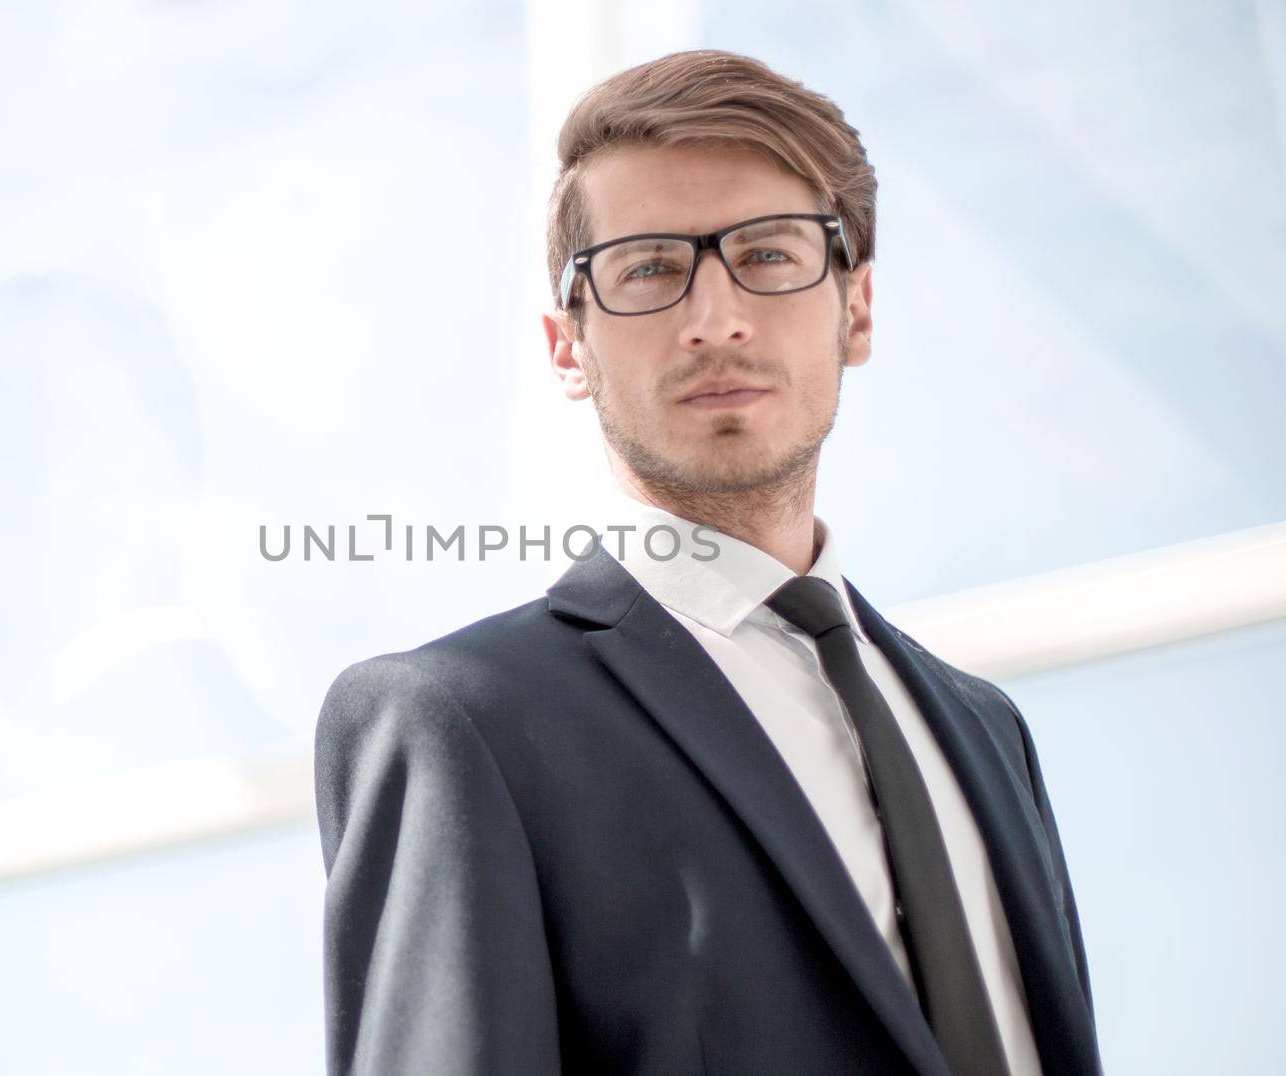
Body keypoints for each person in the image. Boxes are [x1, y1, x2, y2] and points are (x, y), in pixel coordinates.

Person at [313, 49, 1100, 1075]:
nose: (713, 317)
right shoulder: (463, 721)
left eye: (768, 256)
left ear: (854, 309)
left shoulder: (986, 730)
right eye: (648, 268)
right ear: (567, 345)